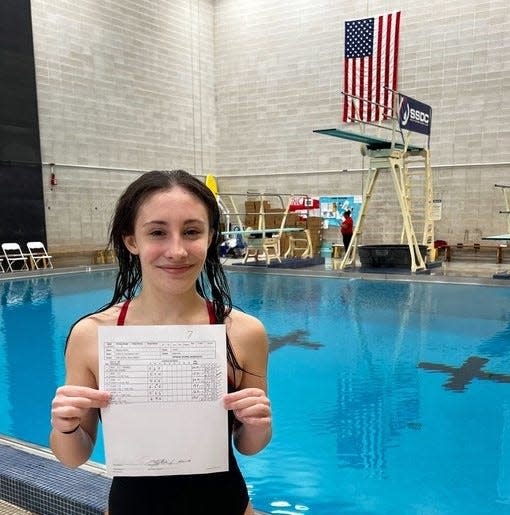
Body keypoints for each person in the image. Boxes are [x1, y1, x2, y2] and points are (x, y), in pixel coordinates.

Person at [49, 170, 272, 515]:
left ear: (211, 237)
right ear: (131, 240)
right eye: (157, 232)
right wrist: (66, 427)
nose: (177, 250)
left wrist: (257, 424)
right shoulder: (91, 335)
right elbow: (74, 455)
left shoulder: (244, 332)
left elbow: (248, 447)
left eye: (192, 232)